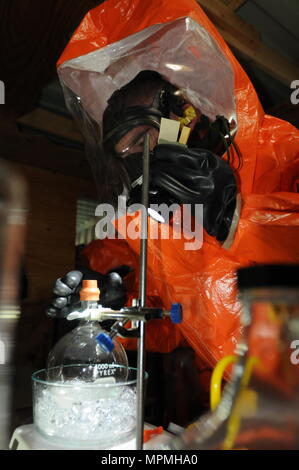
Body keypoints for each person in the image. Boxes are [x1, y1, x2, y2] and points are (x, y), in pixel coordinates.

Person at [51, 0, 299, 409]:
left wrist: (239, 220)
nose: (136, 162)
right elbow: (175, 322)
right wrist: (115, 315)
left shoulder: (282, 154)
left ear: (190, 118)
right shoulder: (162, 226)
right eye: (124, 152)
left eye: (142, 139)